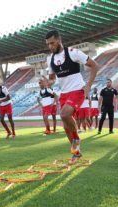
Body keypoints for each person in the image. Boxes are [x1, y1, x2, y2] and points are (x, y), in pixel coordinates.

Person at [41, 30, 98, 163]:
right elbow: (52, 79)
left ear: (59, 40)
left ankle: (77, 139)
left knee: (64, 114)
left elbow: (95, 66)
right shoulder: (50, 59)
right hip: (64, 93)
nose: (50, 46)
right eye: (48, 44)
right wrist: (47, 83)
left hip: (78, 90)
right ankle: (76, 153)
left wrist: (88, 86)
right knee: (66, 127)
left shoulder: (73, 52)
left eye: (52, 43)